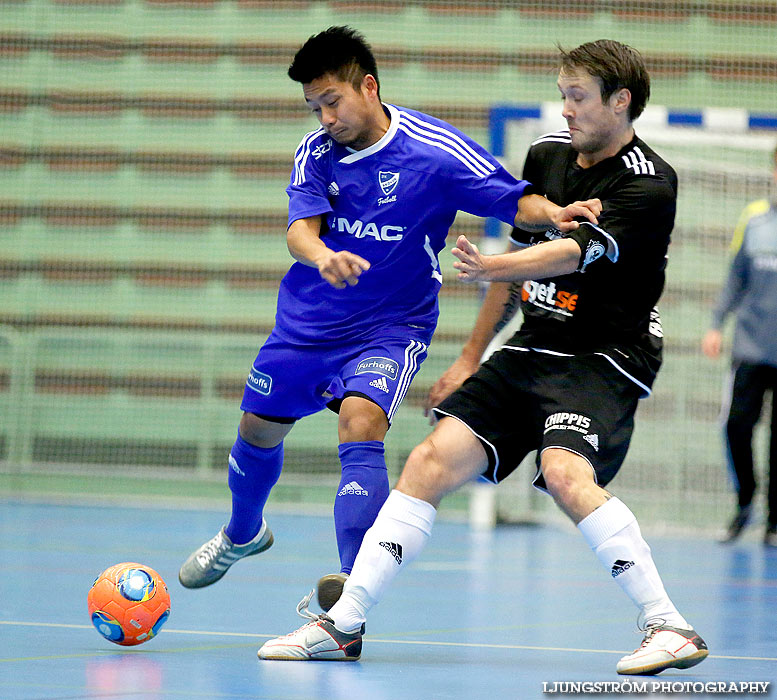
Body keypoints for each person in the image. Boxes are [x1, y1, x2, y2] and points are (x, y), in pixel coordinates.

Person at [258, 39, 710, 677]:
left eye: (578, 97)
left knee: (564, 475)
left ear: (621, 102)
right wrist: (472, 355)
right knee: (428, 461)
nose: (567, 109)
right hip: (532, 345)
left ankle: (669, 625)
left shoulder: (648, 183)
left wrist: (492, 263)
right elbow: (524, 252)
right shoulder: (549, 155)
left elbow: (568, 254)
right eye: (563, 95)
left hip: (603, 355)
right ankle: (344, 624)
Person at [178, 26, 599, 611]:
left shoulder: (436, 150)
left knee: (361, 420)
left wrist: (556, 212)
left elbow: (510, 198)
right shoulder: (317, 152)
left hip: (391, 327)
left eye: (332, 101)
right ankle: (242, 533)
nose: (325, 118)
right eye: (314, 107)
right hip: (307, 326)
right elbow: (300, 229)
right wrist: (324, 255)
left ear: (368, 87)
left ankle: (351, 592)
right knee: (257, 432)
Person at [701, 143, 777, 548]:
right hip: (750, 347)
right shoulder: (754, 220)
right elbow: (736, 277)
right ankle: (745, 499)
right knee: (736, 427)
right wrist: (716, 324)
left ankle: (774, 523)